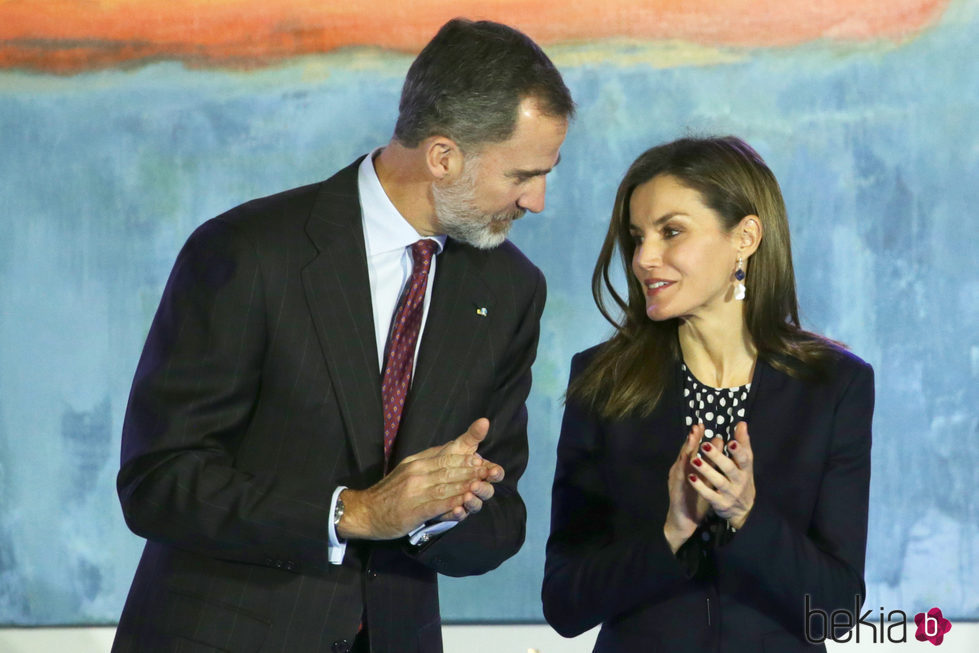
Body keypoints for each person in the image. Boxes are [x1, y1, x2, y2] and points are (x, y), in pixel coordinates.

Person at [114, 18, 573, 653]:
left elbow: (499, 524)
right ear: (443, 157)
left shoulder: (511, 290)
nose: (537, 200)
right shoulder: (248, 252)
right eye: (521, 175)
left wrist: (442, 508)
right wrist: (352, 512)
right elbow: (158, 481)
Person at [542, 137, 873, 652]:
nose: (644, 258)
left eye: (671, 232)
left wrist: (747, 515)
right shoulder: (603, 381)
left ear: (745, 237)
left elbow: (836, 613)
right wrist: (671, 532)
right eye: (637, 237)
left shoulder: (834, 384)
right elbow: (564, 603)